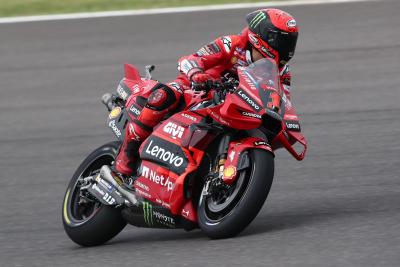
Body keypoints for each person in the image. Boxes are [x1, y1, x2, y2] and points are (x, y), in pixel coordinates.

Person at [113, 8, 299, 179]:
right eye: (283, 40)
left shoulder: (282, 71)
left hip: (236, 107)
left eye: (291, 41)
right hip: (197, 90)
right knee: (164, 95)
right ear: (264, 35)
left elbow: (282, 99)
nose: (287, 47)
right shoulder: (232, 44)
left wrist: (283, 119)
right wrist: (197, 74)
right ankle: (125, 159)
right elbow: (191, 59)